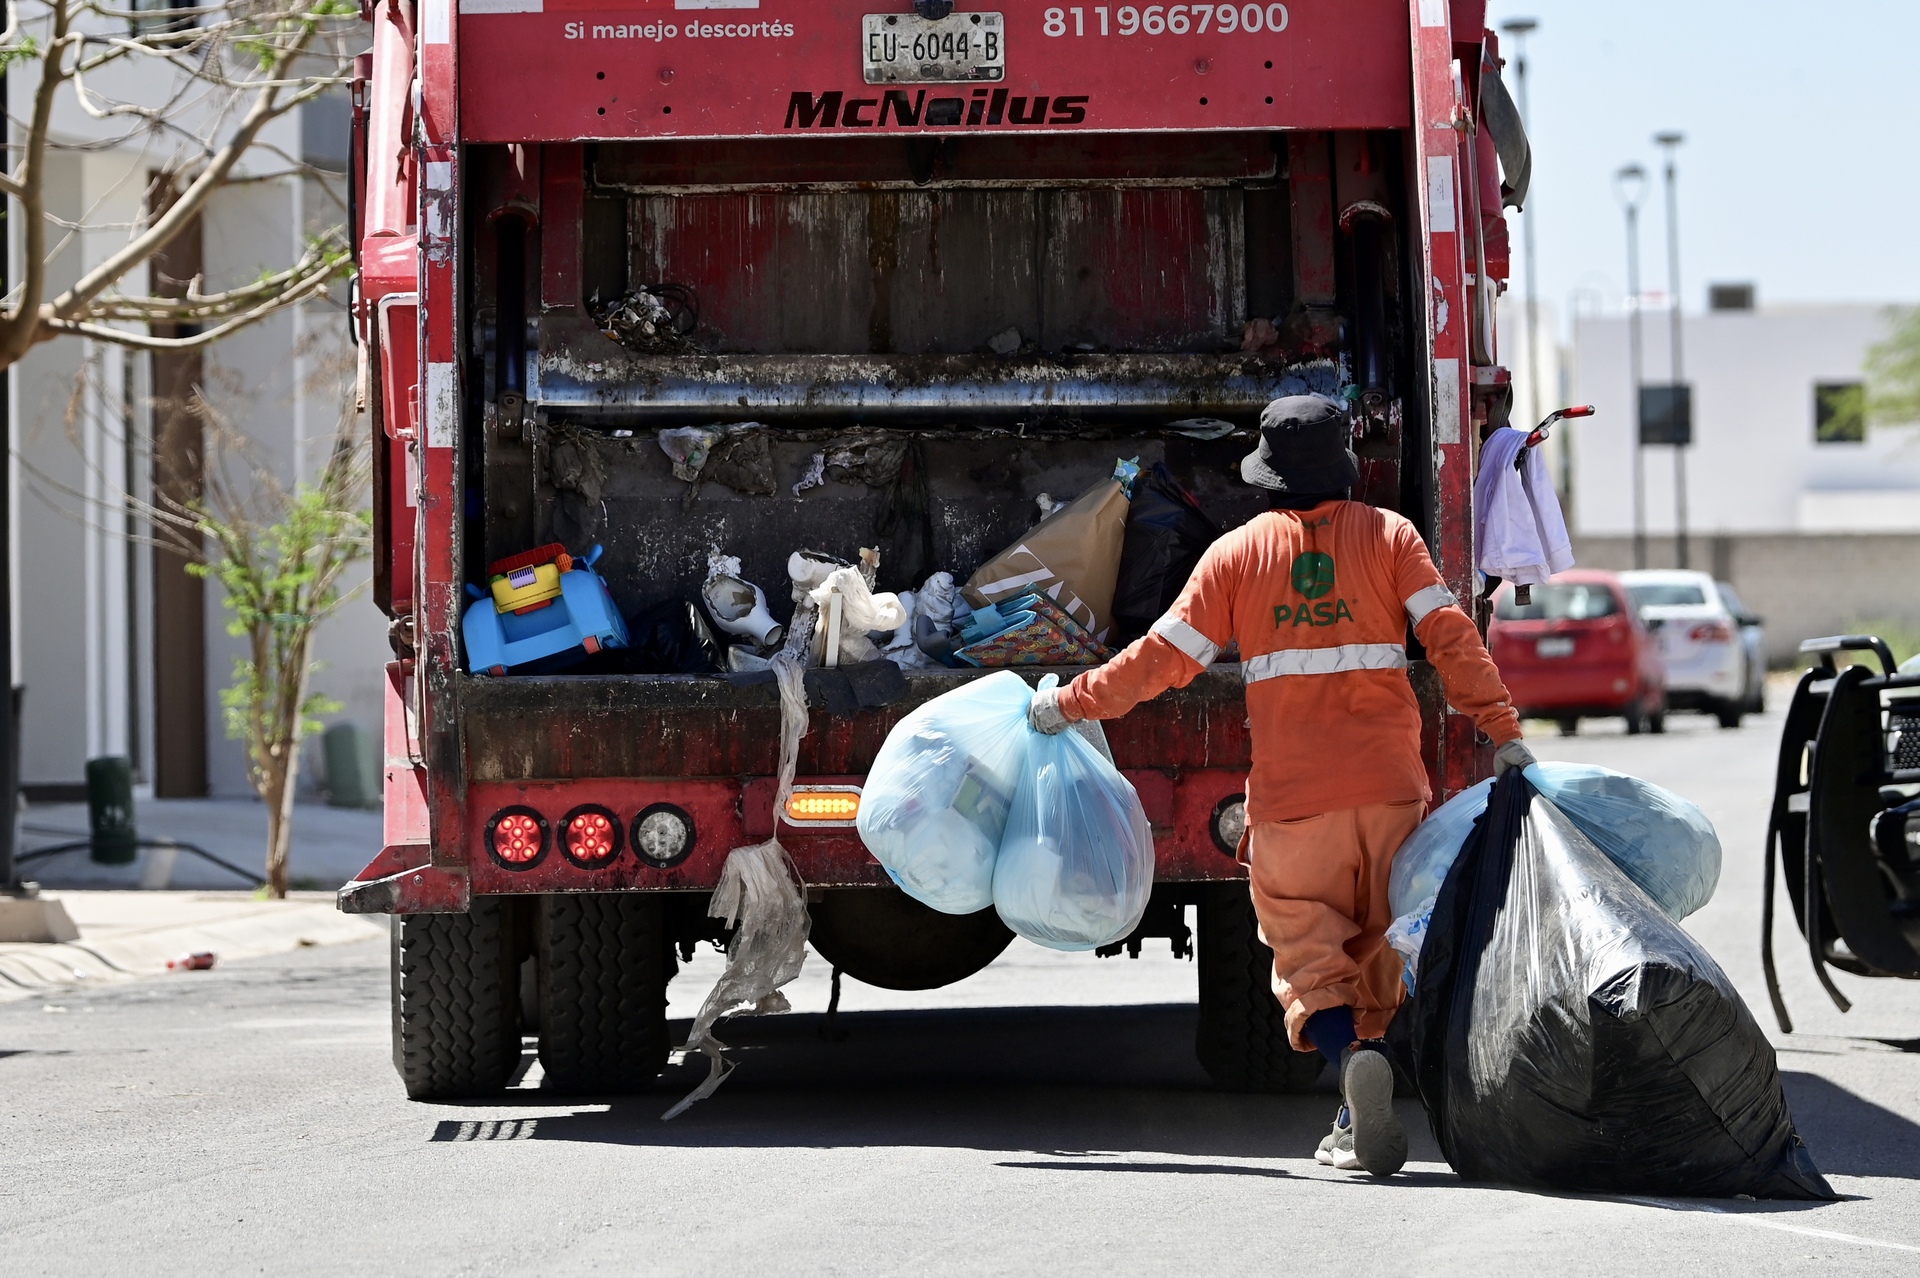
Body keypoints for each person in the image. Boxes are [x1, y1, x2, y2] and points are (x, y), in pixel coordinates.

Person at [1029, 395, 1534, 1177]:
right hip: (1392, 790)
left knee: (1308, 958)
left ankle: (1351, 1064)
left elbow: (1163, 659)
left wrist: (1070, 702)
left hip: (1297, 802)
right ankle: (1357, 1107)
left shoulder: (1236, 555)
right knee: (1380, 949)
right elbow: (1450, 636)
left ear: (1266, 477)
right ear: (1344, 468)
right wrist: (1503, 729)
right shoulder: (1391, 536)